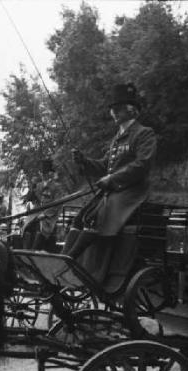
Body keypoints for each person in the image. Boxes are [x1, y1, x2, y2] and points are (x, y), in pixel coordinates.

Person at [65, 82, 157, 259]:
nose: (113, 112)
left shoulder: (144, 133)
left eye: (118, 108)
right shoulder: (117, 138)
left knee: (96, 217)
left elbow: (143, 164)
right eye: (113, 109)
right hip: (112, 192)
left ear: (131, 110)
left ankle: (71, 260)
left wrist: (112, 179)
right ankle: (66, 259)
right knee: (80, 217)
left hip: (132, 192)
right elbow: (103, 166)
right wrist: (84, 161)